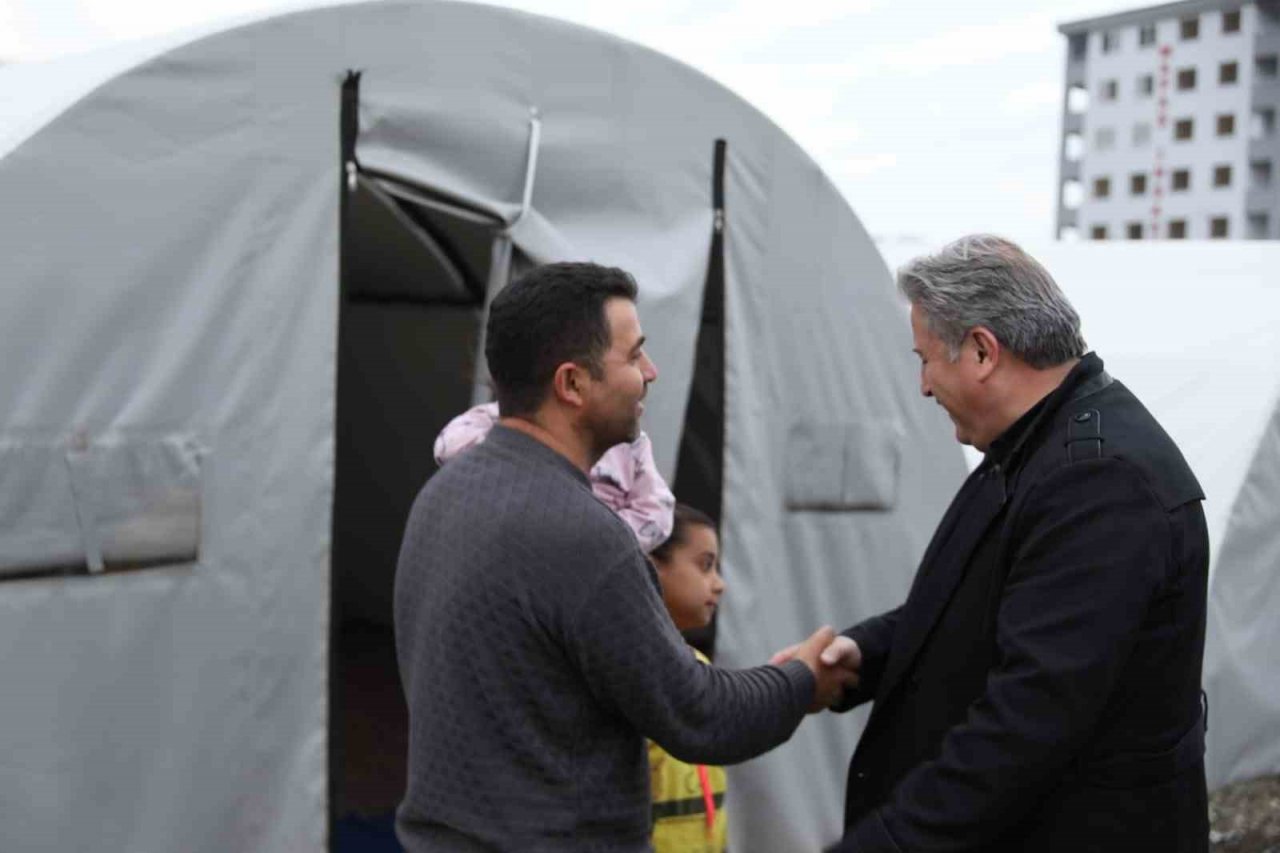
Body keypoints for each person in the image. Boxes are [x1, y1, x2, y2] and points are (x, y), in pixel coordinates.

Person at [394, 261, 853, 852]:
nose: (651, 372)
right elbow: (699, 715)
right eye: (634, 356)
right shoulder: (579, 533)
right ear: (572, 384)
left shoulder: (443, 495)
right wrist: (803, 681)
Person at [816, 235, 1210, 852]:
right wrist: (864, 653)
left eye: (925, 359)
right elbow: (983, 604)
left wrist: (884, 845)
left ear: (981, 350)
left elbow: (1030, 717)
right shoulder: (1034, 448)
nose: (923, 386)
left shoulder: (1098, 481)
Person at [433, 401, 675, 553]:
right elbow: (448, 447)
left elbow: (658, 511)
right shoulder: (499, 417)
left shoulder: (631, 442)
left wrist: (590, 537)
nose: (647, 372)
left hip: (590, 555)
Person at [647, 504, 729, 853]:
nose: (720, 585)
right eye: (705, 565)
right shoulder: (632, 674)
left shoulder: (699, 664)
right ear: (652, 568)